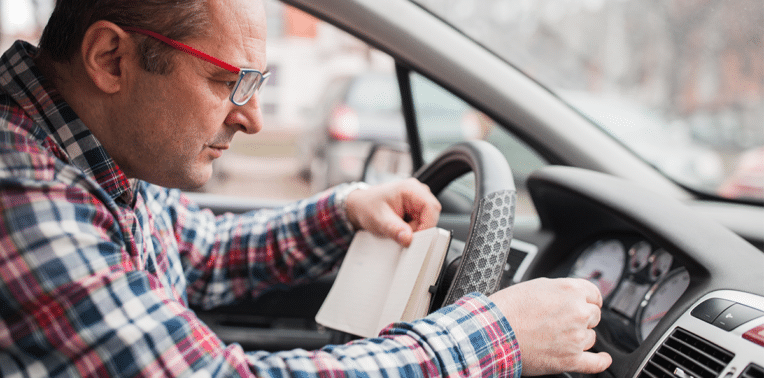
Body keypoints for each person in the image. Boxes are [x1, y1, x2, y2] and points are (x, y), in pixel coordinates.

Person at [0, 0, 612, 376]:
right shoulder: (21, 193)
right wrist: (494, 336)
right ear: (111, 58)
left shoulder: (96, 162)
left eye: (258, 83)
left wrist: (344, 211)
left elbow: (196, 249)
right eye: (227, 81)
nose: (253, 118)